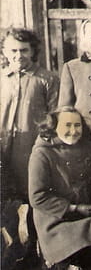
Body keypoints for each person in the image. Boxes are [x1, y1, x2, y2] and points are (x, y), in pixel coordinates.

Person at [29, 107, 91, 270]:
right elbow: (37, 196)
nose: (73, 131)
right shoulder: (42, 153)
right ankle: (64, 267)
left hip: (85, 211)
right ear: (54, 127)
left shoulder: (88, 148)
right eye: (67, 125)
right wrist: (73, 208)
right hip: (55, 217)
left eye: (77, 125)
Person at [1, 28, 59, 202]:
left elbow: (55, 115)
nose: (18, 55)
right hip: (2, 149)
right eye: (13, 50)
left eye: (24, 50)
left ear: (32, 51)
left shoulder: (47, 79)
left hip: (31, 149)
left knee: (30, 195)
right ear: (4, 51)